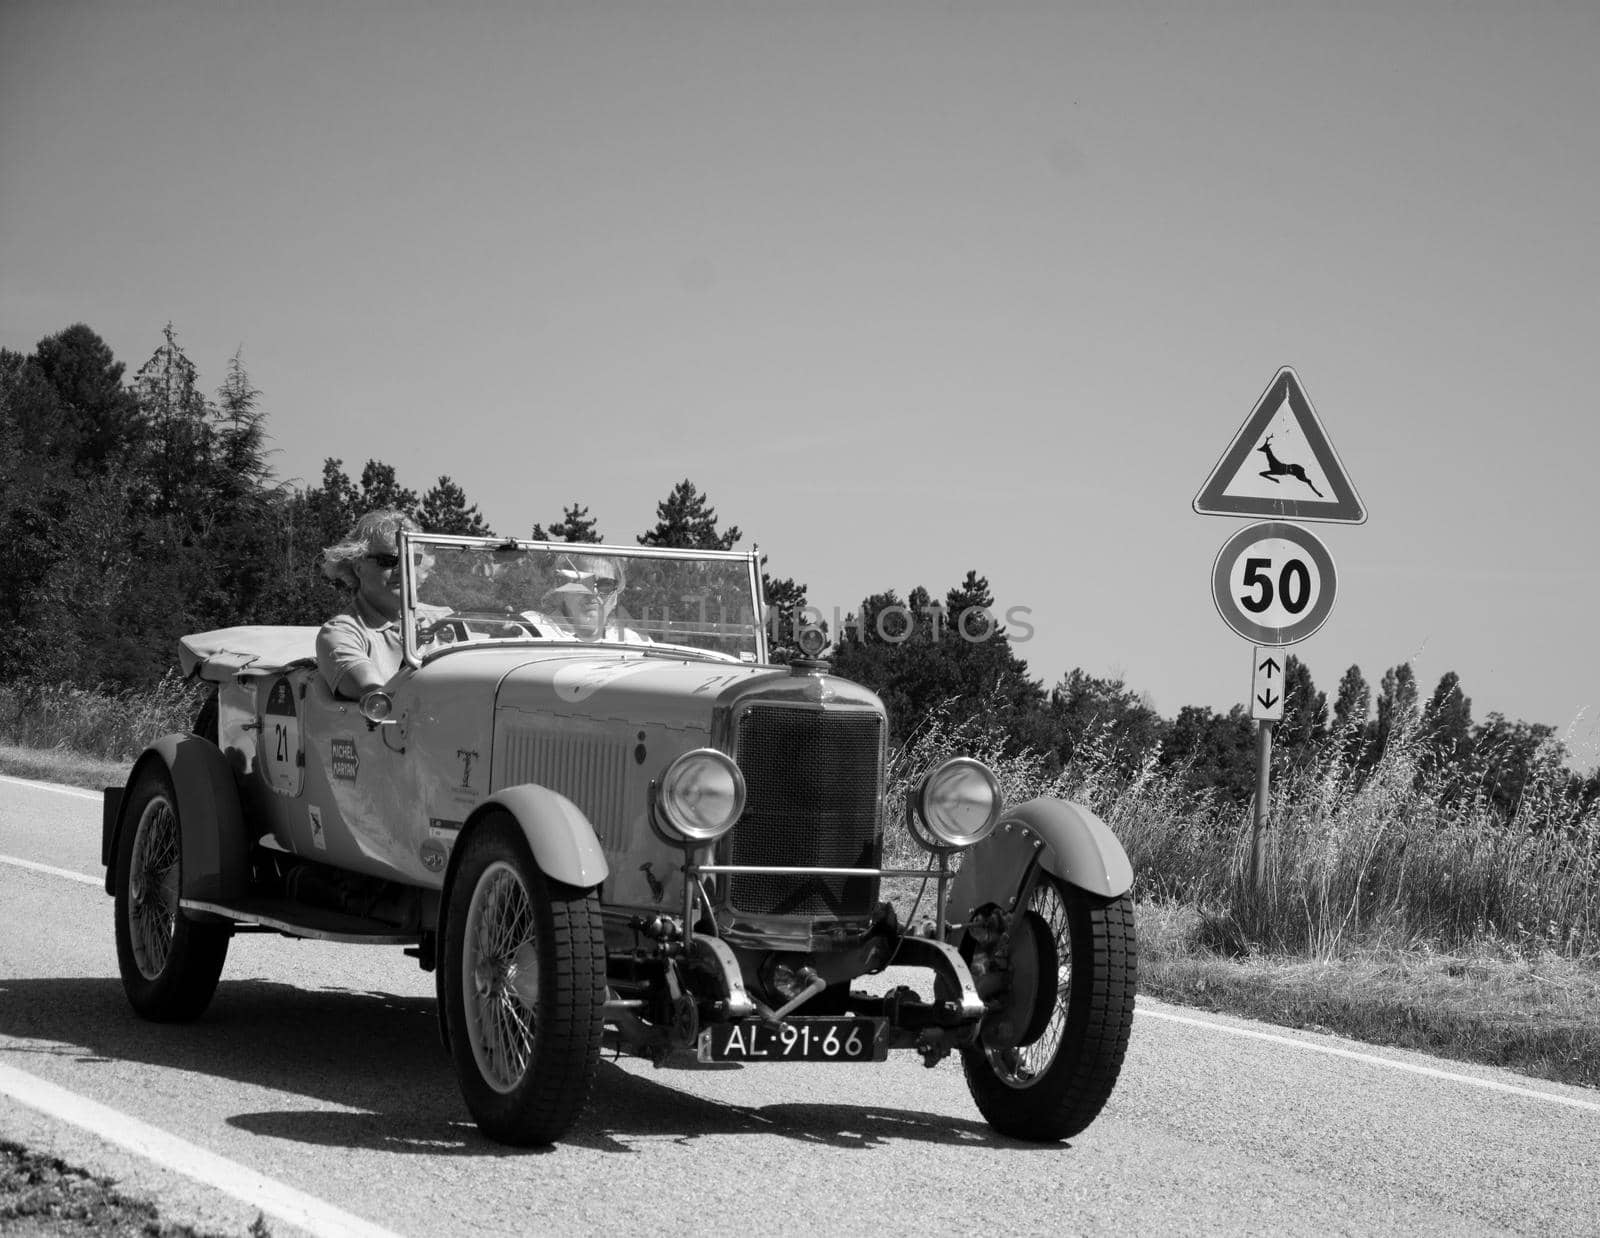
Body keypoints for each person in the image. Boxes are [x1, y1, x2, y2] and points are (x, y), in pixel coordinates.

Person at [316, 510, 436, 699]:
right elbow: (379, 697)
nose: (401, 570)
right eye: (388, 561)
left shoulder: (448, 619)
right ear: (358, 566)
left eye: (411, 559)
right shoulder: (342, 633)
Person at [533, 553, 645, 643]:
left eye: (606, 585)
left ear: (615, 597)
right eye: (583, 582)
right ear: (563, 589)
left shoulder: (632, 641)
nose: (593, 593)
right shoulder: (534, 630)